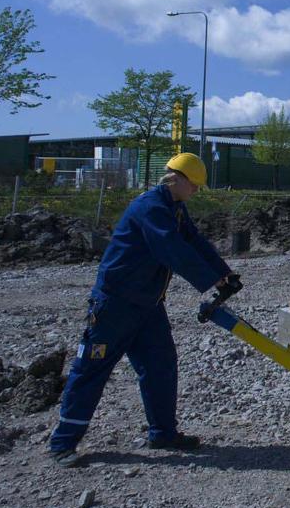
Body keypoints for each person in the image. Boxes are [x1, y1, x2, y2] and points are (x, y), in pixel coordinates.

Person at [48, 153, 237, 468]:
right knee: (91, 370)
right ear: (176, 179)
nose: (196, 191)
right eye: (194, 185)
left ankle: (162, 433)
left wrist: (225, 273)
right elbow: (172, 250)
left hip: (148, 305)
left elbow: (194, 241)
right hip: (115, 305)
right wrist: (211, 279)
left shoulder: (174, 209)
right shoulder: (150, 208)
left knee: (161, 365)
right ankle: (62, 443)